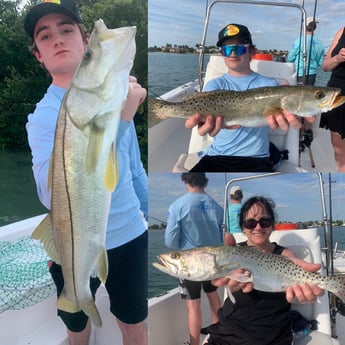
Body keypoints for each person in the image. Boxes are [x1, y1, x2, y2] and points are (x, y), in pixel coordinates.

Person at [24, 1, 148, 344]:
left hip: (130, 235)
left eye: (67, 30)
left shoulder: (115, 96)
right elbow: (50, 195)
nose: (58, 39)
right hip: (70, 242)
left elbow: (134, 169)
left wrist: (151, 217)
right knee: (76, 325)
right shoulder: (42, 118)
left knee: (135, 325)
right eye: (45, 36)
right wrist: (122, 119)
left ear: (84, 39)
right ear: (39, 55)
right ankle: (78, 301)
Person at [186, 23, 315, 172]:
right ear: (222, 54)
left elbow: (285, 107)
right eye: (227, 49)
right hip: (217, 156)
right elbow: (203, 122)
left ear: (251, 51)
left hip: (257, 158)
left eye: (239, 48)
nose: (233, 53)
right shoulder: (214, 84)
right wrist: (201, 126)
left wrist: (297, 113)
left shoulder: (269, 84)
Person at [204, 196, 324, 345]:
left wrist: (315, 281)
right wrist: (231, 287)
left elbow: (292, 266)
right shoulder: (232, 253)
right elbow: (217, 277)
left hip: (271, 336)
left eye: (264, 221)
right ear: (243, 227)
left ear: (272, 225)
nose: (258, 227)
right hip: (227, 332)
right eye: (251, 223)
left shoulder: (285, 255)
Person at [165, 173, 224, 345]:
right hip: (213, 262)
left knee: (193, 305)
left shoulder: (178, 206)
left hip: (189, 265)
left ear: (185, 180)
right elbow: (221, 237)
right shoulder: (217, 206)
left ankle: (194, 343)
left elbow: (170, 241)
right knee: (214, 297)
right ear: (204, 181)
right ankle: (218, 337)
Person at [319, 25, 345, 171]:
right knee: (339, 149)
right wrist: (338, 58)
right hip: (336, 96)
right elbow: (325, 66)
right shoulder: (342, 31)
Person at [287, 17, 324, 86]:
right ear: (315, 27)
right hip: (313, 75)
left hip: (299, 74)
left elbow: (290, 58)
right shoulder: (320, 43)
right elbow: (320, 62)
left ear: (304, 27)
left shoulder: (299, 41)